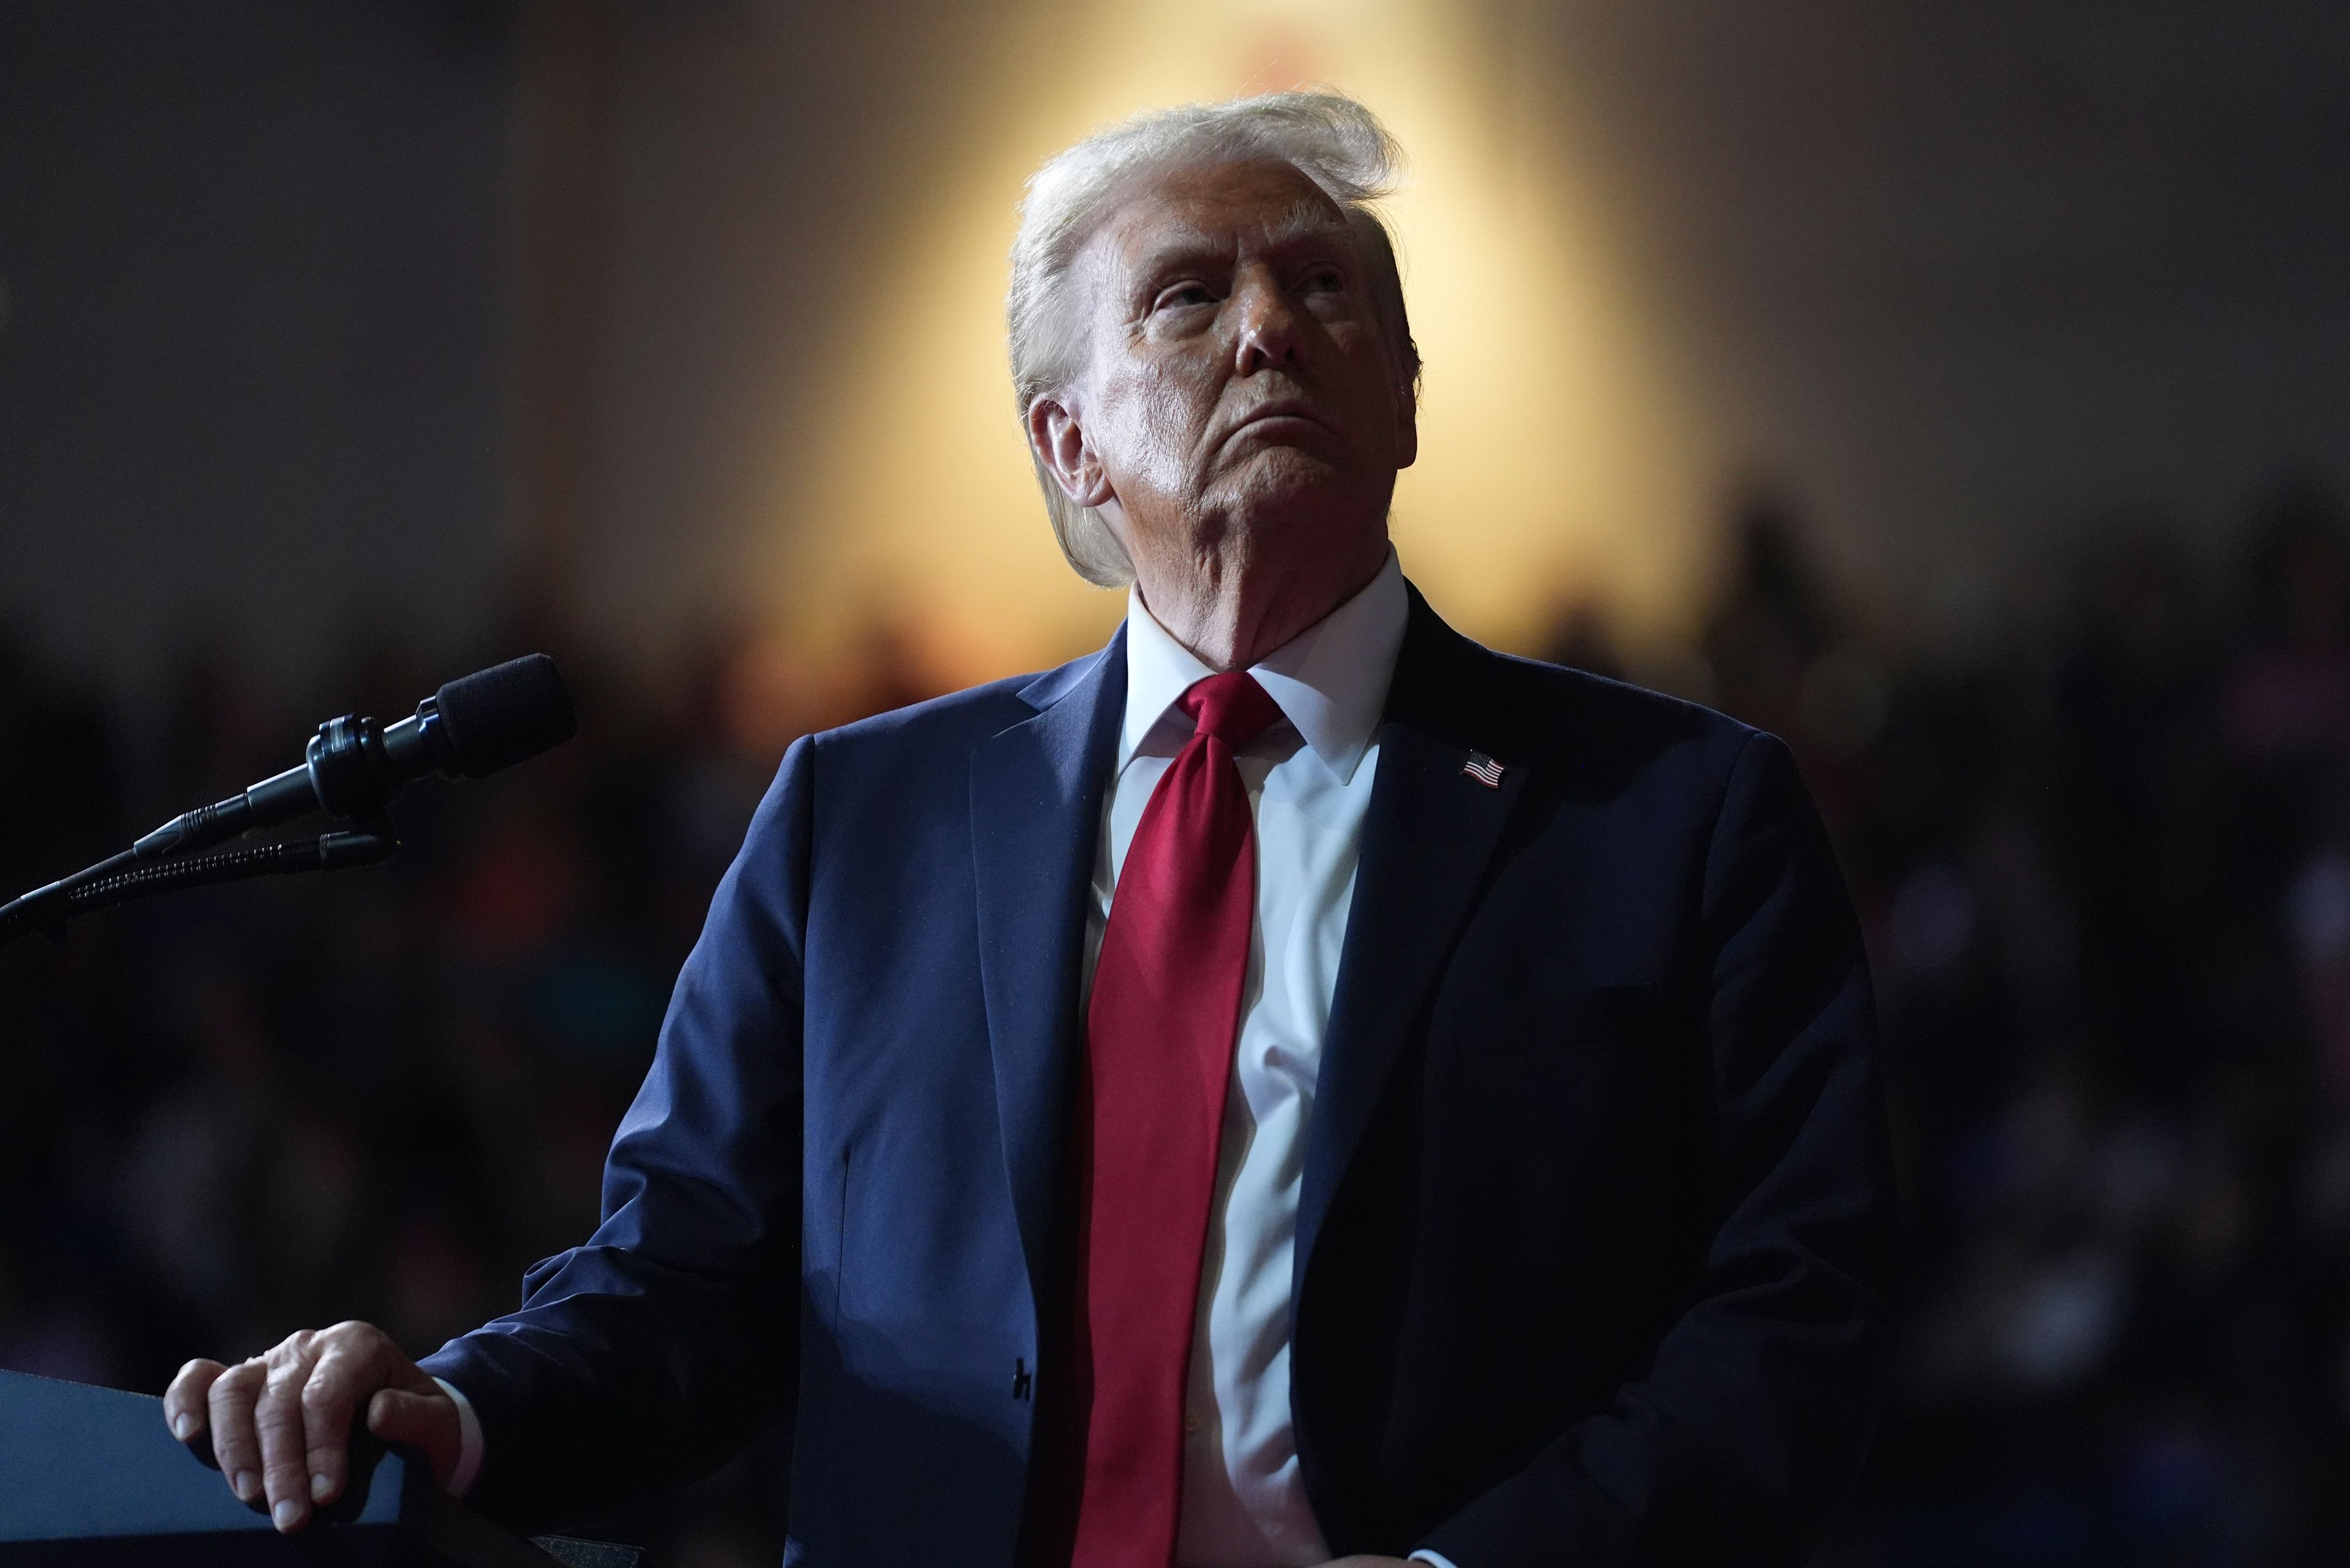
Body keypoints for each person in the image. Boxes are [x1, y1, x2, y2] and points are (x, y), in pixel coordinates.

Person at [165, 91, 1899, 1567]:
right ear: (1068, 443)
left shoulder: (1672, 814)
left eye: (1323, 290)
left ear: (1406, 404)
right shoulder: (869, 817)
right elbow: (683, 1273)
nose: (1269, 328)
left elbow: (1796, 1319)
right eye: (1187, 298)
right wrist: (451, 1400)